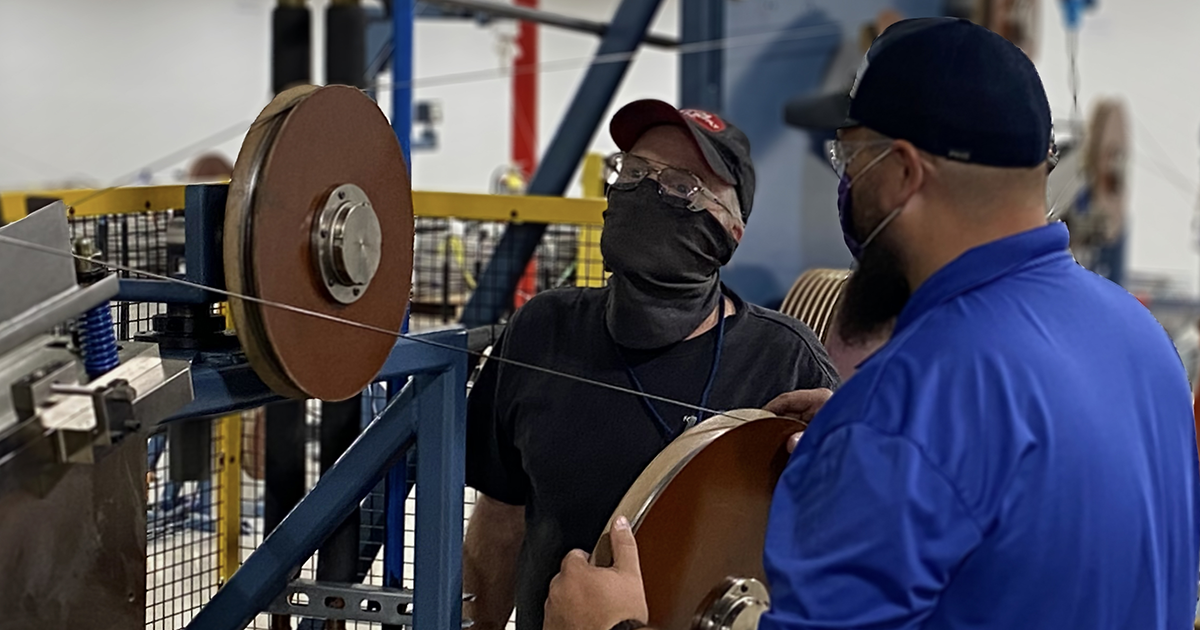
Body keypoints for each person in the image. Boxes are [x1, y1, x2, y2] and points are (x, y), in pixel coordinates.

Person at [544, 18, 1200, 630]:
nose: (847, 182)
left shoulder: (910, 403)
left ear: (904, 173)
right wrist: (884, 455)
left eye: (850, 158)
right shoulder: (1139, 339)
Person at [464, 99, 840, 630]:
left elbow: (836, 550)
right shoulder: (543, 332)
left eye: (682, 186)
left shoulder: (784, 364)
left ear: (730, 230)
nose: (644, 191)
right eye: (633, 172)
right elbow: (500, 521)